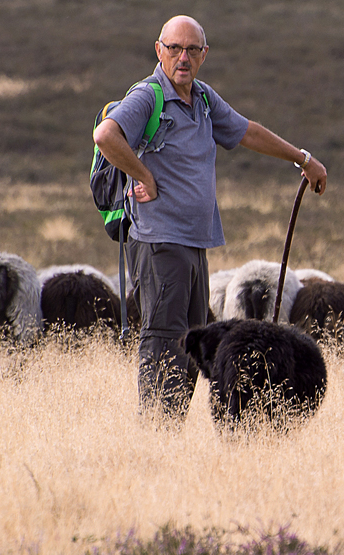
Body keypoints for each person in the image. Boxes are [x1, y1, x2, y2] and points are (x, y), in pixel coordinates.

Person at [92, 15, 327, 427]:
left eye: (192, 50)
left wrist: (302, 159)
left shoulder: (201, 98)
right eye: (174, 48)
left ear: (204, 55)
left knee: (194, 341)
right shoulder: (149, 97)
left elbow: (246, 132)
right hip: (158, 240)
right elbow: (106, 136)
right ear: (158, 50)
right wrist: (143, 176)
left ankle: (170, 429)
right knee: (164, 339)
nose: (183, 58)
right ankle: (157, 436)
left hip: (194, 242)